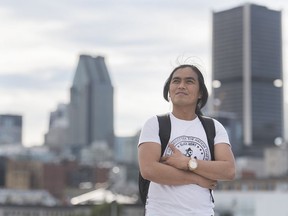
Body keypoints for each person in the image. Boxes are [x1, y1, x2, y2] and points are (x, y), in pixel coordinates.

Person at [138, 64, 236, 216]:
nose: (181, 86)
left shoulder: (214, 127)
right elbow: (149, 169)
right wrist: (196, 178)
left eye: (189, 81)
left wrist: (187, 163)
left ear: (200, 93)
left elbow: (228, 170)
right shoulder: (155, 124)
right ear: (169, 91)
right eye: (176, 81)